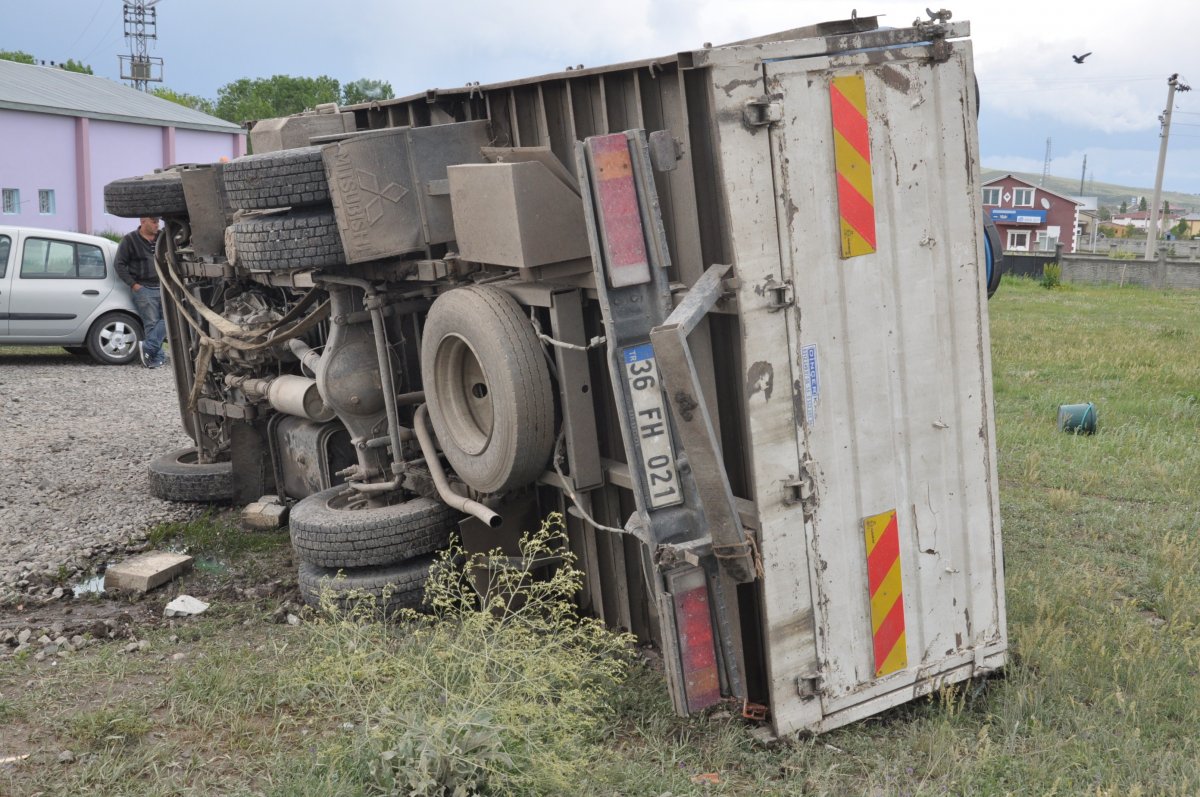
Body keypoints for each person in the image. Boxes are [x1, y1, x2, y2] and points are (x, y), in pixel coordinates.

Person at [115, 217, 168, 368]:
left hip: (165, 287)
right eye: (153, 221)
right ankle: (156, 358)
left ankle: (148, 348)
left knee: (169, 320)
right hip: (144, 288)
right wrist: (134, 285)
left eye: (158, 221)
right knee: (151, 323)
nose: (157, 224)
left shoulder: (163, 238)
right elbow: (119, 264)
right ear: (143, 221)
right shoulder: (129, 240)